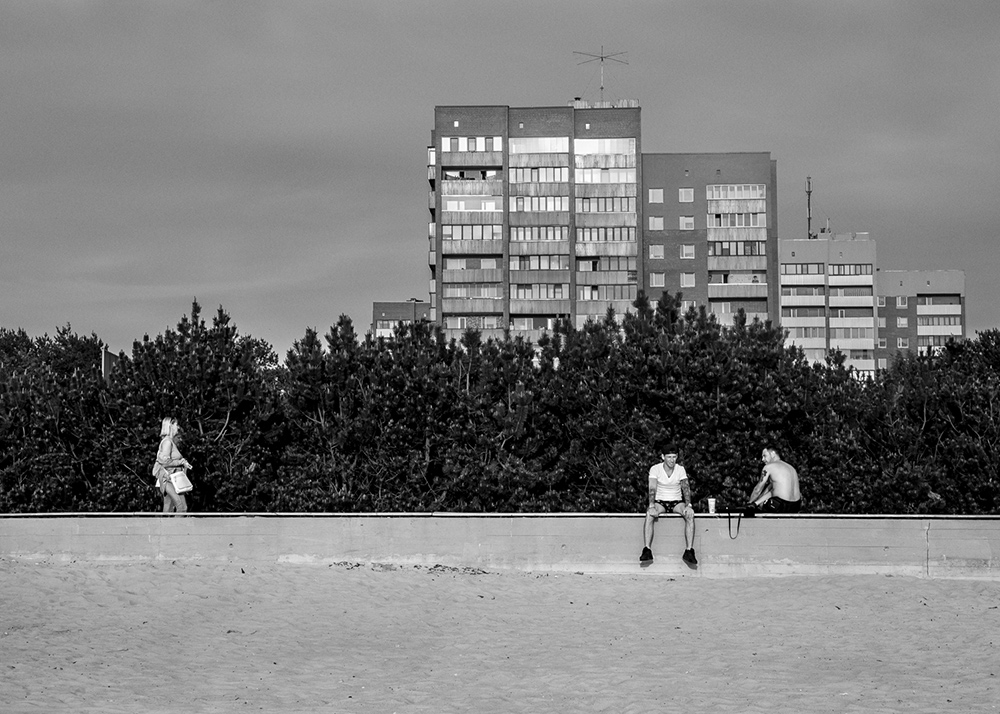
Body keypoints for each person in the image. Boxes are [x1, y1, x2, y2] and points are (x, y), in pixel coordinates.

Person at [640, 445, 697, 565]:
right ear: (663, 457)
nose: (672, 460)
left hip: (676, 501)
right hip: (660, 501)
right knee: (649, 514)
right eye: (669, 457)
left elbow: (685, 488)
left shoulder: (680, 469)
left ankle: (689, 551)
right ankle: (647, 549)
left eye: (674, 457)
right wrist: (651, 506)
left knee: (690, 515)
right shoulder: (655, 469)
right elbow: (652, 488)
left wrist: (688, 505)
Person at [153, 417, 193, 515]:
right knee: (182, 508)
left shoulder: (170, 442)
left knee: (168, 509)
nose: (178, 427)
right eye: (176, 425)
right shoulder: (167, 442)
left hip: (172, 479)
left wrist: (182, 463)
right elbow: (165, 462)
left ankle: (164, 529)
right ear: (170, 426)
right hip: (169, 479)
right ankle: (174, 529)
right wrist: (180, 462)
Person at [747, 446, 802, 513]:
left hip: (780, 505)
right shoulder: (791, 468)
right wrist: (755, 503)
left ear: (773, 454)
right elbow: (772, 492)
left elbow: (757, 489)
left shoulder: (768, 467)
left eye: (764, 456)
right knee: (760, 503)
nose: (762, 459)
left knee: (759, 511)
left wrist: (749, 504)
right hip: (796, 505)